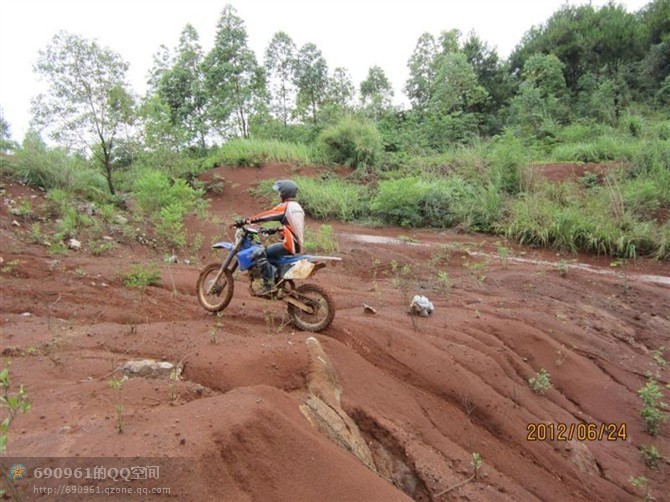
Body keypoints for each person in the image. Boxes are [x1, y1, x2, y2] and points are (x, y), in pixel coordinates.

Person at [238, 179, 305, 295]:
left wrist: (246, 220)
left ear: (284, 193)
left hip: (289, 244)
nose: (278, 194)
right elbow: (293, 225)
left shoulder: (285, 206)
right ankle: (275, 277)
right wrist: (275, 230)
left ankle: (268, 285)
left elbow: (266, 216)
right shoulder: (298, 207)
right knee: (269, 254)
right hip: (298, 244)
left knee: (259, 253)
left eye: (279, 192)